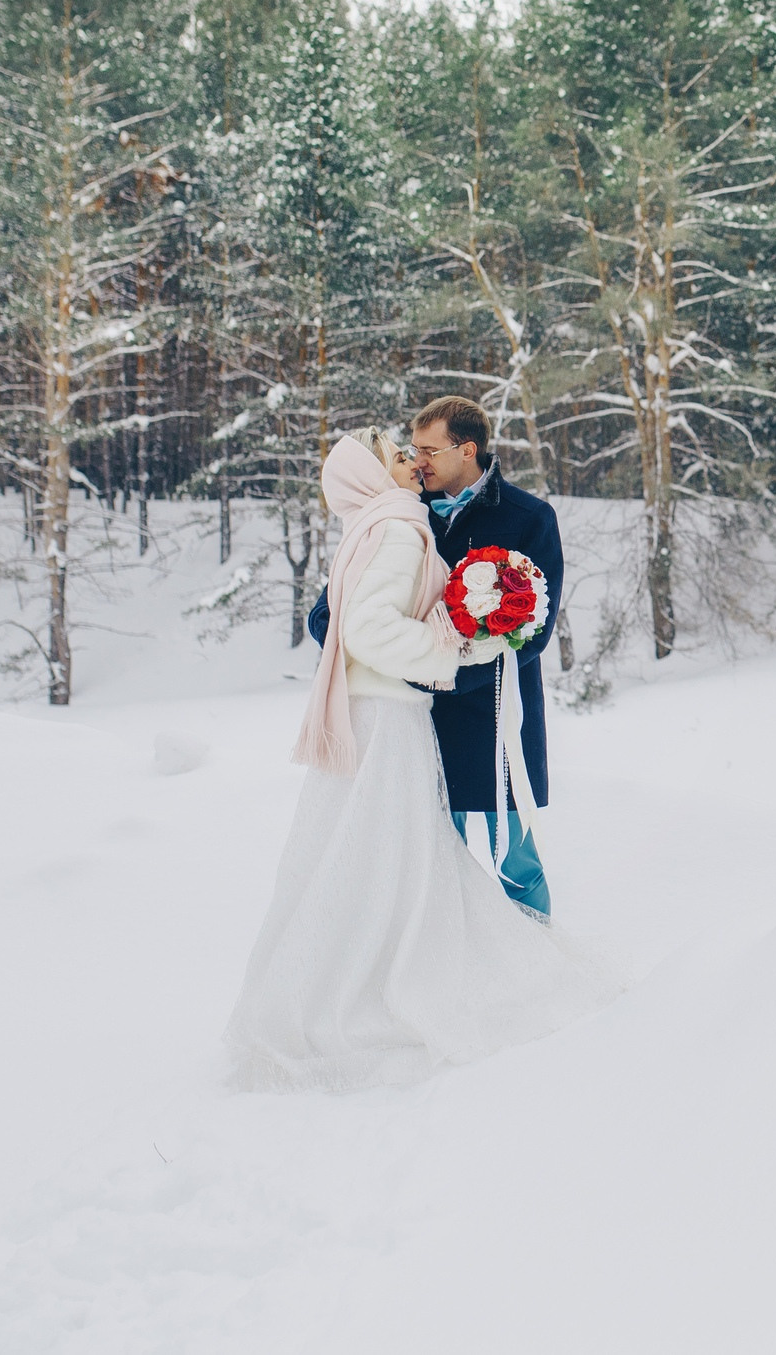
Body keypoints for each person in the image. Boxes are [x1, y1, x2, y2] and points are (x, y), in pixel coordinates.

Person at [226, 431, 610, 1092]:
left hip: (391, 715)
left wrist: (486, 627)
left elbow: (524, 626)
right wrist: (450, 650)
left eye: (421, 449)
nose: (415, 460)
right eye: (402, 454)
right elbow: (355, 626)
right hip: (391, 717)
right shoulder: (402, 528)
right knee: (401, 861)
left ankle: (342, 981)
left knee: (370, 860)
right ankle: (399, 986)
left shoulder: (380, 528)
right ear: (379, 475)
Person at [310, 397, 564, 921]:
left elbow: (534, 630)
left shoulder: (529, 517)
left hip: (496, 717)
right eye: (413, 449)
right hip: (415, 723)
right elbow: (329, 612)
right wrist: (375, 652)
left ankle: (539, 958)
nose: (416, 460)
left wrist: (459, 672)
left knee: (517, 861)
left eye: (428, 450)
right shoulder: (400, 511)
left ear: (466, 449)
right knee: (431, 861)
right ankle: (449, 971)